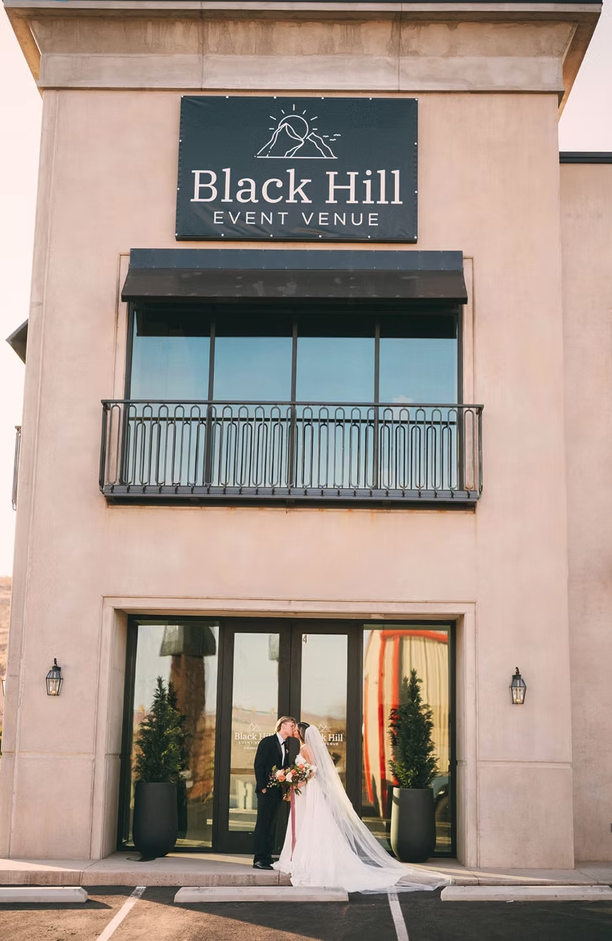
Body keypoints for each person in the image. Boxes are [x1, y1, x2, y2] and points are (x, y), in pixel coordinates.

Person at [273, 722, 447, 893]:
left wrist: (297, 780)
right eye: (293, 728)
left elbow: (312, 770)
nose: (294, 731)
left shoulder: (305, 749)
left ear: (303, 733)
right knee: (313, 823)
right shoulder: (306, 747)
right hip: (308, 789)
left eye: (297, 729)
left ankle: (311, 860)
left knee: (313, 822)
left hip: (311, 789)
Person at [252, 715, 299, 870]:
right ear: (282, 725)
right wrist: (263, 787)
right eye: (292, 725)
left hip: (277, 792)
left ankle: (267, 856)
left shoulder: (285, 746)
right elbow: (259, 765)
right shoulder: (267, 742)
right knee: (263, 824)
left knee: (271, 824)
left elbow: (283, 769)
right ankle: (259, 859)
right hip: (266, 791)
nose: (294, 729)